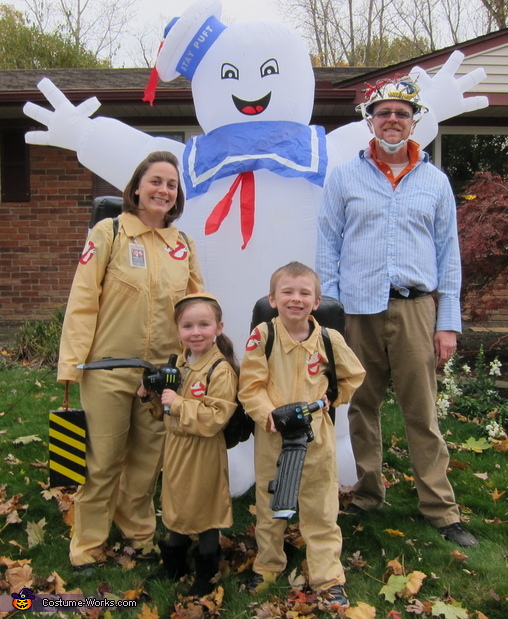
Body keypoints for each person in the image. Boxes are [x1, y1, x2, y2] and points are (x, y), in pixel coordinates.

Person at [316, 76, 479, 547]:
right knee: (360, 408)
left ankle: (441, 509)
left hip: (415, 309)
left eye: (402, 113)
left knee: (421, 412)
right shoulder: (344, 176)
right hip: (356, 313)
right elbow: (328, 245)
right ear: (371, 120)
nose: (393, 120)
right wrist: (331, 316)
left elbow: (449, 255)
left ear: (415, 122)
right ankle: (369, 493)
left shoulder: (435, 181)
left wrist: (447, 323)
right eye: (384, 112)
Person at [57, 151, 204, 569]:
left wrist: (195, 364)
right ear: (137, 187)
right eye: (155, 181)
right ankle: (87, 545)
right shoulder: (110, 232)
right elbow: (83, 299)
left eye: (171, 185)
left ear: (177, 197)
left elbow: (194, 309)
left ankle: (138, 533)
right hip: (106, 369)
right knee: (103, 462)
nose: (163, 190)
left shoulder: (184, 245)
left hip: (161, 375)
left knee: (145, 462)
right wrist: (71, 364)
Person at [238, 262, 365, 609]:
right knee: (270, 502)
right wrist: (269, 416)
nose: (296, 299)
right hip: (273, 437)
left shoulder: (328, 338)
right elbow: (250, 385)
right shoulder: (263, 336)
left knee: (321, 505)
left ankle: (327, 576)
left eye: (304, 293)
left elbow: (352, 375)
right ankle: (267, 566)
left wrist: (330, 398)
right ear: (273, 298)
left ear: (317, 301)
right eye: (288, 292)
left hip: (316, 436)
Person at [137, 292, 239, 597]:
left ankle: (207, 571)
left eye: (204, 325)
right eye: (188, 326)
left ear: (218, 328)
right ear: (178, 330)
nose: (196, 332)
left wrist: (180, 403)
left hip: (203, 451)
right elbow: (166, 414)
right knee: (177, 502)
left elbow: (215, 417)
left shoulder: (219, 370)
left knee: (206, 506)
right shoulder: (179, 363)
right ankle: (175, 563)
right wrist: (150, 397)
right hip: (177, 448)